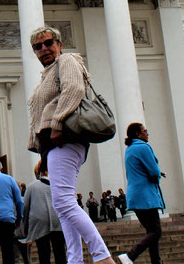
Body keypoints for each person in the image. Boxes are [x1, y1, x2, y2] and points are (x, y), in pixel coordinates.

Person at [27, 25, 117, 264]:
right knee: (62, 206)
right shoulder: (48, 73)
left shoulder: (66, 60)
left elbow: (74, 89)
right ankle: (74, 260)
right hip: (55, 144)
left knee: (64, 202)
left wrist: (56, 124)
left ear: (59, 44)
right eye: (38, 46)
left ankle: (102, 256)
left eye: (48, 43)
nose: (44, 49)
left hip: (64, 138)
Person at [119, 123, 165, 264]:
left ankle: (155, 262)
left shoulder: (130, 149)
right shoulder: (143, 147)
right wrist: (157, 174)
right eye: (145, 131)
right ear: (138, 134)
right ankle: (130, 255)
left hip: (135, 196)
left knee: (151, 232)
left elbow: (137, 169)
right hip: (146, 197)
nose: (147, 133)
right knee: (156, 232)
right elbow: (153, 171)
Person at [23, 159, 67, 264]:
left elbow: (25, 208)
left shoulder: (31, 186)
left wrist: (25, 227)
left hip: (40, 222)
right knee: (60, 252)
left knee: (43, 253)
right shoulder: (60, 185)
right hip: (58, 221)